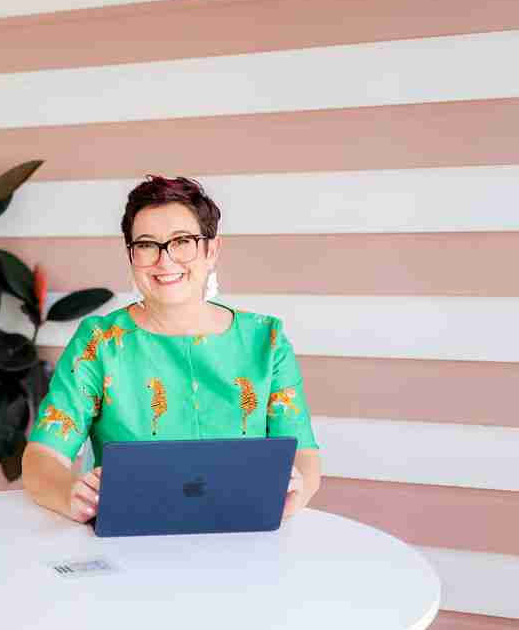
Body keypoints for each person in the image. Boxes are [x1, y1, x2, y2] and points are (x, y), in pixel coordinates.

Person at [22, 175, 321, 524]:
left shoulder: (266, 339)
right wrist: (67, 493)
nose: (164, 261)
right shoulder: (99, 342)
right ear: (131, 254)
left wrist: (298, 488)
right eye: (147, 245)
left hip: (244, 531)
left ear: (212, 250)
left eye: (182, 241)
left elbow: (303, 453)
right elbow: (43, 455)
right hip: (130, 534)